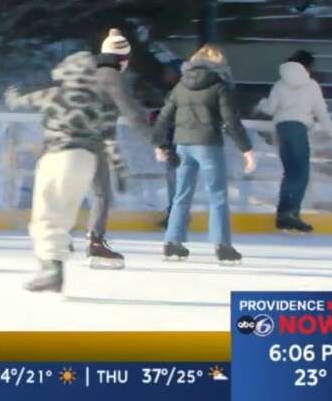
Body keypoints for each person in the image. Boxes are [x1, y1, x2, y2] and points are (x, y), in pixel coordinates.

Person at [5, 51, 122, 293]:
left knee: (46, 215)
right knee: (64, 214)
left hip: (58, 156)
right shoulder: (101, 102)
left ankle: (50, 270)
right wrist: (119, 167)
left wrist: (13, 96)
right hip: (87, 161)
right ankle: (56, 258)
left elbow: (22, 101)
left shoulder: (56, 94)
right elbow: (109, 138)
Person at [152, 44, 255, 264]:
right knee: (217, 195)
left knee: (181, 194)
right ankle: (222, 246)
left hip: (183, 145)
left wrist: (158, 143)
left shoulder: (181, 85)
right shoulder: (219, 86)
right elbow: (231, 121)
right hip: (208, 144)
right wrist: (246, 149)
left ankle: (172, 242)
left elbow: (164, 116)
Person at [84, 28, 153, 269]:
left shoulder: (85, 71)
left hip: (66, 138)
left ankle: (53, 245)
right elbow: (131, 113)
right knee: (102, 193)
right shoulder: (110, 76)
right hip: (91, 142)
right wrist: (155, 139)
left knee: (67, 192)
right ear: (123, 59)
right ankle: (95, 241)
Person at [256, 50, 332, 233]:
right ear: (307, 66)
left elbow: (270, 109)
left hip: (282, 129)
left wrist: (261, 103)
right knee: (301, 174)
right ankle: (291, 213)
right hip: (299, 129)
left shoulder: (280, 83)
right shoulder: (311, 85)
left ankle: (282, 214)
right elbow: (321, 111)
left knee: (290, 172)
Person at [155, 59, 183, 229]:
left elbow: (169, 117)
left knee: (175, 178)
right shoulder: (174, 91)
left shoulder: (176, 92)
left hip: (177, 140)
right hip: (175, 139)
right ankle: (175, 212)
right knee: (174, 178)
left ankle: (176, 214)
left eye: (169, 71)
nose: (166, 75)